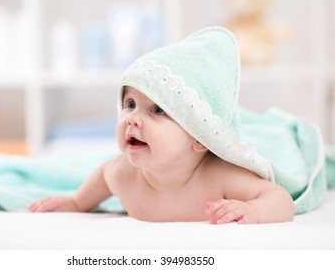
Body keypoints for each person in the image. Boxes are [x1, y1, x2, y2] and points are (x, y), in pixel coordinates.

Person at [29, 26, 297, 223]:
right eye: (130, 104)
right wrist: (78, 202)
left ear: (199, 136)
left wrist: (254, 211)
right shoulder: (122, 174)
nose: (132, 118)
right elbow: (103, 175)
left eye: (157, 110)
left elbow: (280, 199)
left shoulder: (219, 177)